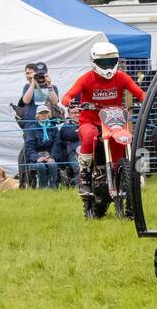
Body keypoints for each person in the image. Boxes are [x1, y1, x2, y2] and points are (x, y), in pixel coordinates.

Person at [60, 41, 146, 205]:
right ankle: (84, 177)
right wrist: (68, 101)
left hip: (115, 121)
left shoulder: (121, 76)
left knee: (128, 139)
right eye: (103, 62)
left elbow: (139, 92)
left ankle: (134, 174)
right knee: (88, 136)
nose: (107, 66)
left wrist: (147, 100)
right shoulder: (86, 79)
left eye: (110, 62)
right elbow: (69, 94)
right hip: (90, 120)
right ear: (94, 62)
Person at [22, 102, 60, 189]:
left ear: (49, 115)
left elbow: (57, 144)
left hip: (50, 154)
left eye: (46, 113)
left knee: (52, 164)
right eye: (41, 113)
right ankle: (42, 188)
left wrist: (52, 156)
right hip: (37, 155)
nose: (44, 115)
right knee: (40, 166)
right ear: (37, 116)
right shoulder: (31, 129)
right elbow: (29, 147)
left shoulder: (53, 128)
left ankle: (52, 188)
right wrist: (37, 157)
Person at [53, 105, 82, 187]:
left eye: (78, 112)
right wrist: (84, 131)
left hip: (89, 152)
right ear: (69, 115)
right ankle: (74, 185)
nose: (77, 115)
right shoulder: (65, 127)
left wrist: (78, 131)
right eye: (74, 113)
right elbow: (71, 135)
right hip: (74, 154)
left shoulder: (87, 123)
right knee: (80, 169)